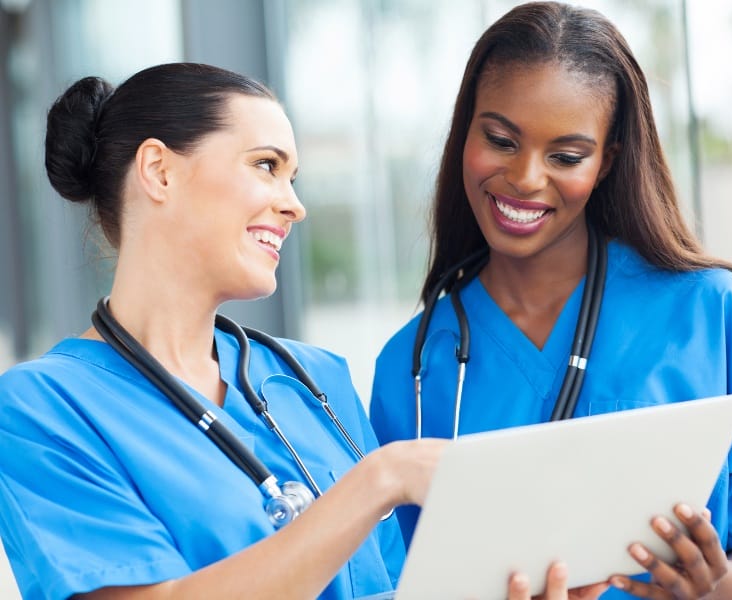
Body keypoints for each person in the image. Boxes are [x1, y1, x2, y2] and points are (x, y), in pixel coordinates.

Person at [0, 62, 604, 600]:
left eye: (293, 177)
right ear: (159, 170)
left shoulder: (312, 378)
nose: (294, 204)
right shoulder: (43, 408)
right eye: (266, 166)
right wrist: (381, 479)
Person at [370, 2, 732, 599]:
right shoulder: (408, 368)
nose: (526, 178)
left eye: (566, 156)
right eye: (500, 139)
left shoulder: (711, 313)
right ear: (465, 131)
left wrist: (710, 587)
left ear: (606, 161)